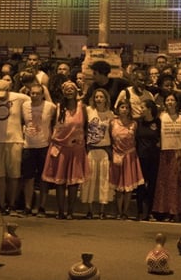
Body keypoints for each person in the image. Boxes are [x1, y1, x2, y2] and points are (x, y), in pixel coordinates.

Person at [42, 80, 89, 219]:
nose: (69, 91)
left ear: (76, 92)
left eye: (72, 89)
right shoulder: (58, 108)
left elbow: (86, 126)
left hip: (76, 148)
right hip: (60, 147)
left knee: (73, 182)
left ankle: (70, 211)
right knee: (60, 181)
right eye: (66, 89)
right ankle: (61, 211)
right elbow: (52, 126)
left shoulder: (83, 108)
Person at [0, 78, 32, 215]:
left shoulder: (19, 98)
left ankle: (12, 203)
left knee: (14, 175)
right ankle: (1, 203)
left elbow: (33, 101)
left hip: (15, 140)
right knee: (0, 175)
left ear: (8, 89)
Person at [21, 80, 56, 216]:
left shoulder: (50, 107)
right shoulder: (24, 105)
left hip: (44, 145)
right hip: (28, 145)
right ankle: (28, 206)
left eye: (37, 93)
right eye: (32, 93)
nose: (34, 96)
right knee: (28, 178)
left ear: (42, 95)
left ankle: (42, 205)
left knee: (43, 178)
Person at [153, 91, 181, 221]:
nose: (170, 102)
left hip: (178, 151)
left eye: (172, 100)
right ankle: (164, 210)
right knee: (164, 182)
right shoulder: (161, 116)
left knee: (177, 183)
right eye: (168, 100)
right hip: (165, 152)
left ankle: (177, 210)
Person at [81, 87, 115, 219]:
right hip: (91, 150)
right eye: (97, 97)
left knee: (103, 180)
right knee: (89, 180)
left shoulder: (111, 114)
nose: (99, 99)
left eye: (101, 97)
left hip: (104, 150)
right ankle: (89, 210)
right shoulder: (89, 111)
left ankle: (102, 210)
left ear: (106, 99)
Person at [109, 98, 144, 219]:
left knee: (128, 186)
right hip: (117, 154)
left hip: (130, 155)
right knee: (118, 186)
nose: (124, 110)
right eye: (122, 107)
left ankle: (125, 211)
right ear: (118, 109)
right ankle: (119, 211)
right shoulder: (113, 122)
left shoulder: (134, 124)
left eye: (126, 107)